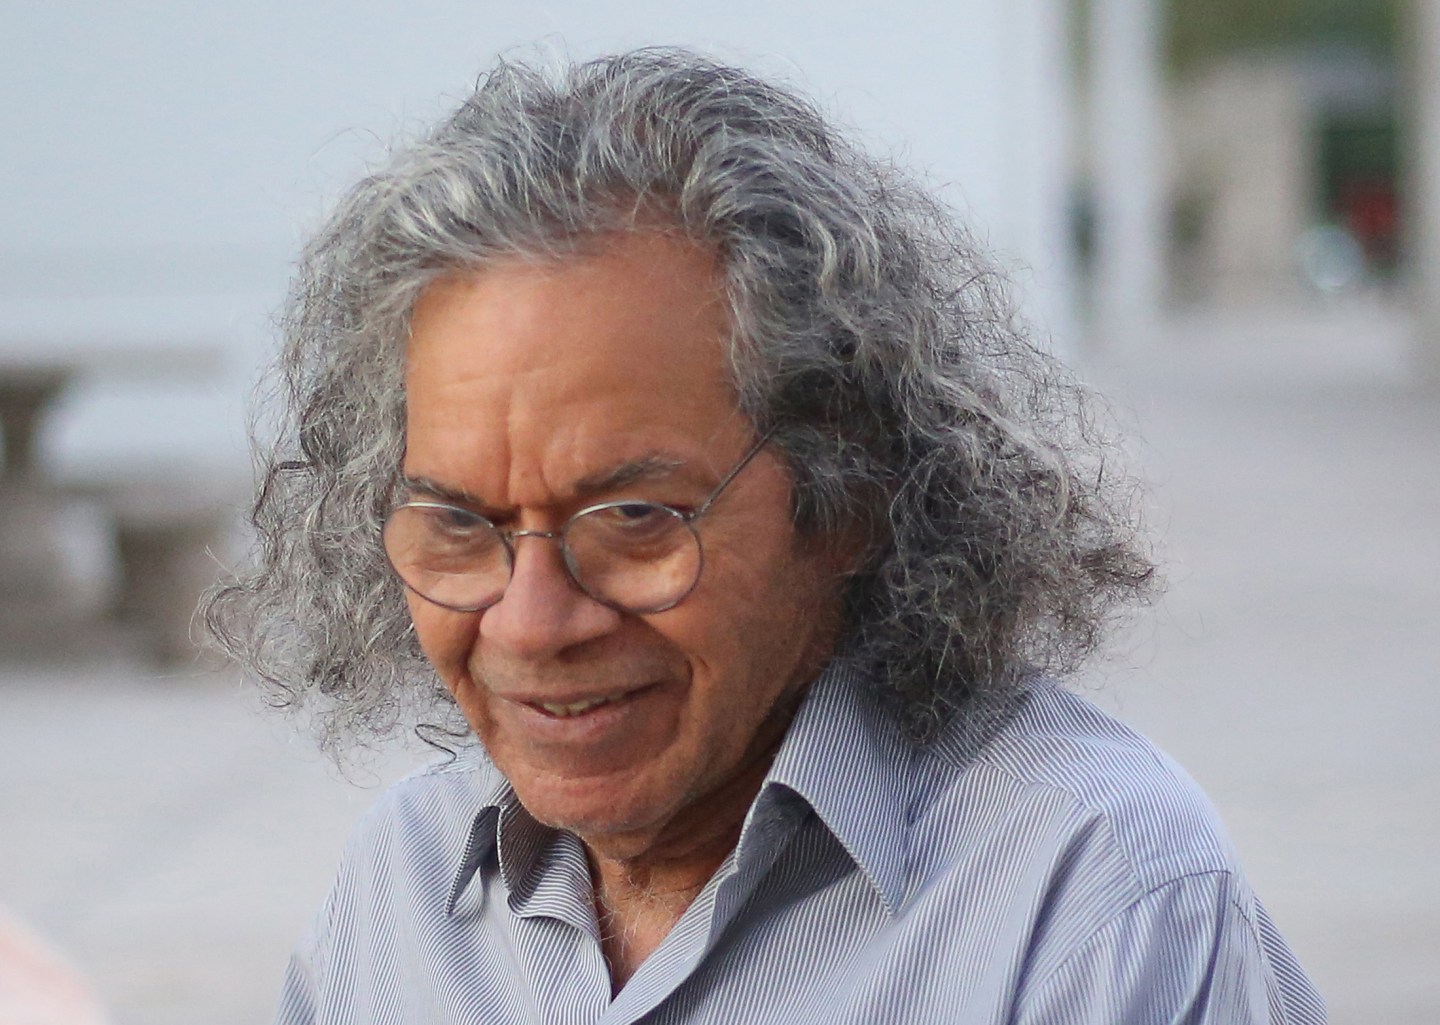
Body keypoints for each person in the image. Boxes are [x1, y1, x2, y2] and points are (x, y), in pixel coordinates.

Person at [205, 48, 1325, 1024]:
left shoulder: (1096, 902)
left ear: (844, 496)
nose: (533, 623)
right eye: (458, 524)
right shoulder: (404, 888)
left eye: (634, 519)